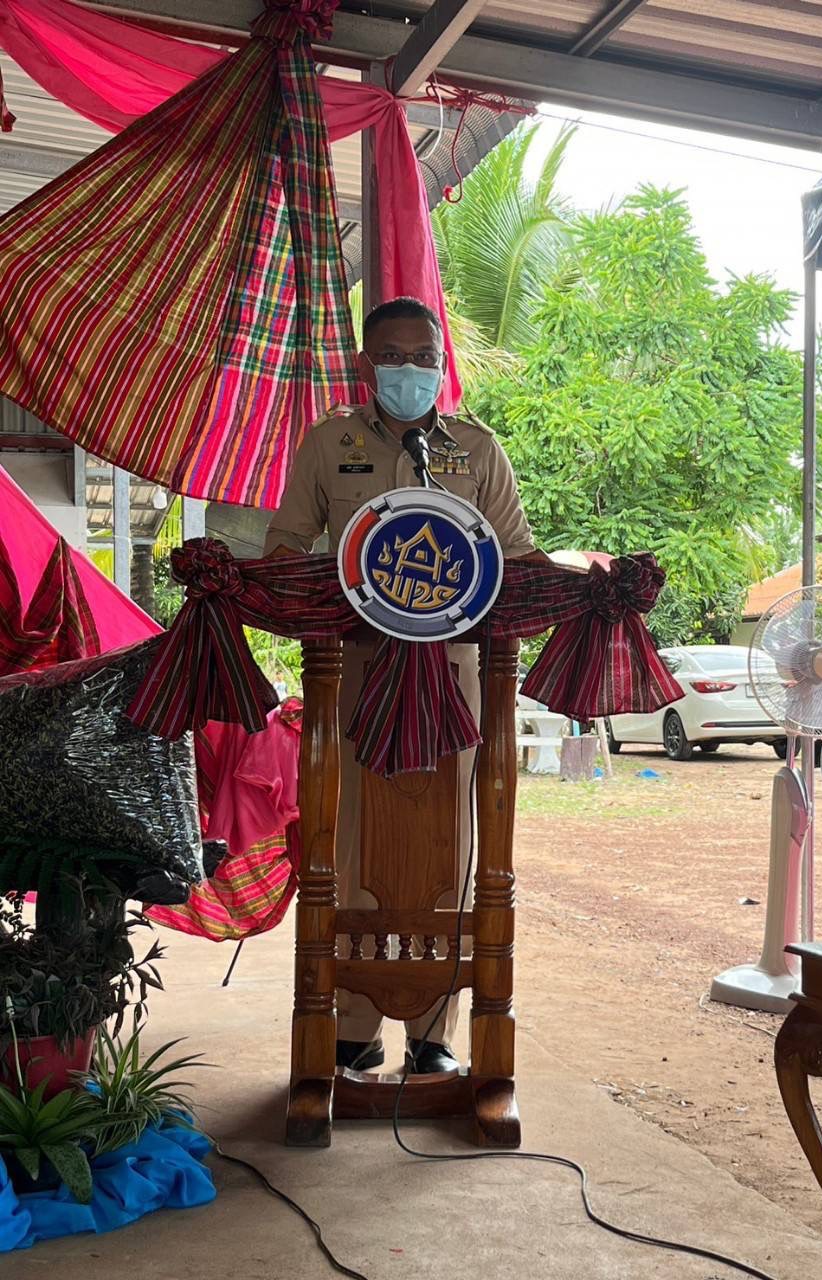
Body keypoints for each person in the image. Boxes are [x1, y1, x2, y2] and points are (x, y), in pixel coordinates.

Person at [265, 296, 547, 1075]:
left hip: (459, 685)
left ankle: (436, 1039)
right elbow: (287, 548)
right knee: (351, 850)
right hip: (354, 680)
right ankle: (349, 1033)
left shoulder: (477, 450)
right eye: (397, 356)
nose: (413, 371)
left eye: (426, 358)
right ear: (366, 365)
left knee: (455, 851)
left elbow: (516, 561)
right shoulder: (329, 445)